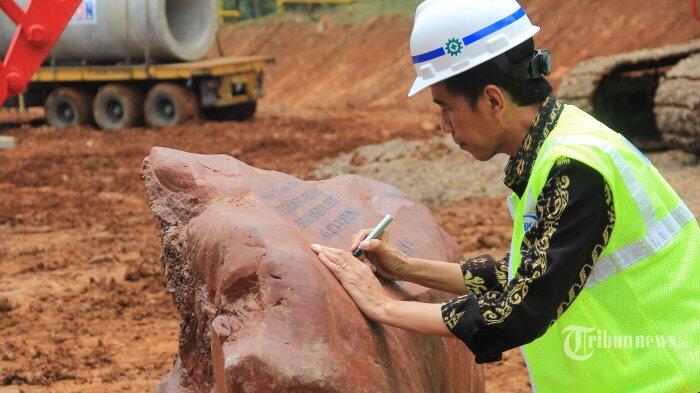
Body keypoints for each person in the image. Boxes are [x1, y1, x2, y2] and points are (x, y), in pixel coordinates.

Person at [310, 0, 700, 391]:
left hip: (665, 379)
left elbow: (520, 310)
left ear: (493, 100)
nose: (444, 126)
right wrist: (404, 268)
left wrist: (384, 307)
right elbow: (523, 274)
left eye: (446, 108)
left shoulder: (575, 167)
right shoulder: (559, 145)